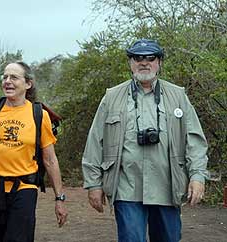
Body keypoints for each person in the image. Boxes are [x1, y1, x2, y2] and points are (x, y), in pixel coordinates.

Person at [82, 39, 209, 242]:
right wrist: (93, 184)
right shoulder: (112, 97)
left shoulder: (177, 96)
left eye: (151, 58)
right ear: (130, 62)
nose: (144, 63)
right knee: (131, 238)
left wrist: (197, 177)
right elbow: (95, 141)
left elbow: (194, 140)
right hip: (126, 187)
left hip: (167, 186)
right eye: (137, 58)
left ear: (159, 62)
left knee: (169, 237)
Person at [0, 61, 68, 242]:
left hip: (24, 188)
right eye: (5, 77)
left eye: (14, 77)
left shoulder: (39, 115)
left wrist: (59, 198)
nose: (7, 81)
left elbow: (50, 160)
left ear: (28, 84)